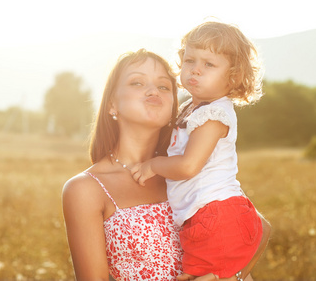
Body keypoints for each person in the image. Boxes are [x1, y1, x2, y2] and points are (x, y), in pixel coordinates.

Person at [62, 49, 268, 281]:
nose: (153, 91)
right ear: (112, 104)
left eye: (163, 87)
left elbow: (261, 227)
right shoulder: (86, 189)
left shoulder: (189, 166)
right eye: (137, 83)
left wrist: (235, 275)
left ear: (173, 105)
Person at [130, 22, 268, 280]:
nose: (196, 70)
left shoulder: (214, 114)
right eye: (190, 60)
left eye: (209, 64)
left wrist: (153, 165)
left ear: (234, 77)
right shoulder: (190, 108)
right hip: (205, 217)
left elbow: (188, 166)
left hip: (216, 215)